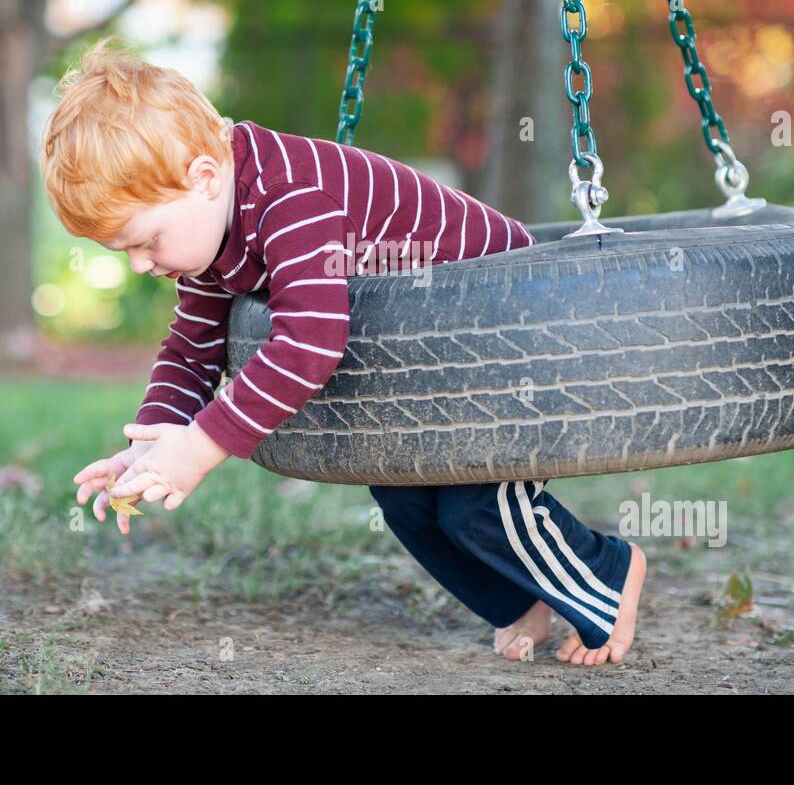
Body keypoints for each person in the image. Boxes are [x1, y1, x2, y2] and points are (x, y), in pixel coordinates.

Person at [38, 36, 646, 665]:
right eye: (127, 252)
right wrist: (151, 445)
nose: (143, 265)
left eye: (147, 241)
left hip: (512, 327)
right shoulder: (211, 226)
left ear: (203, 177)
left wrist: (199, 447)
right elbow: (193, 348)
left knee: (476, 505)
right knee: (404, 493)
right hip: (435, 355)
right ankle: (519, 602)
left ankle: (607, 574)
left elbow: (310, 341)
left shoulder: (288, 197)